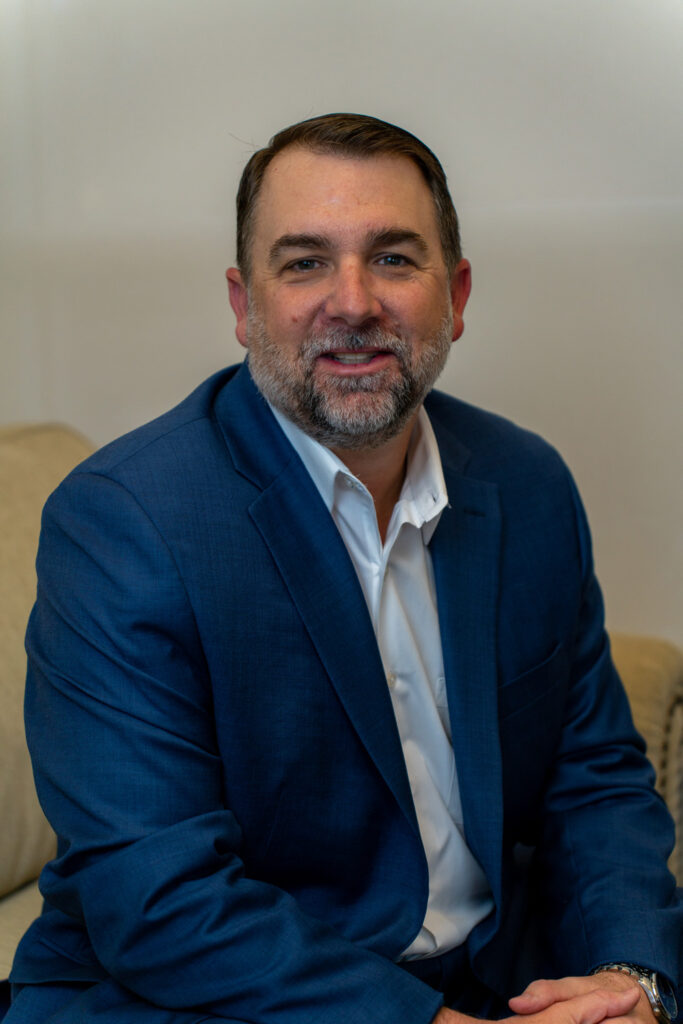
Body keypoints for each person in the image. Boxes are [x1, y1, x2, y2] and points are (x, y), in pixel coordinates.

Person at [6, 113, 681, 1024]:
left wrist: (631, 980)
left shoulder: (527, 483)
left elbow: (592, 777)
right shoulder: (124, 522)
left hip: (500, 977)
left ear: (456, 295)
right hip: (217, 998)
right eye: (304, 263)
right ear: (244, 305)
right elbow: (156, 896)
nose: (353, 301)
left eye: (394, 258)